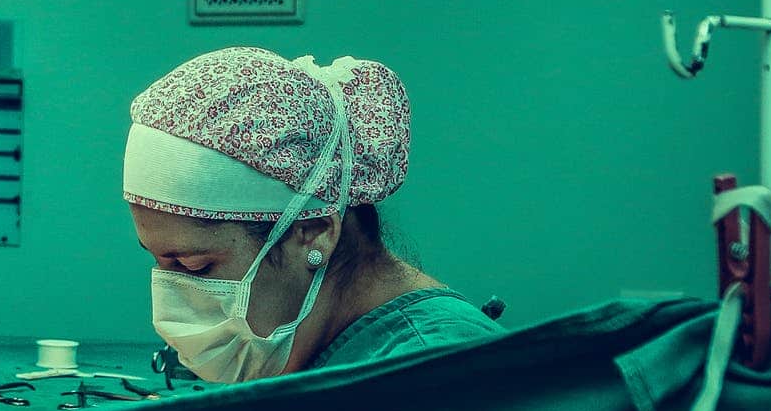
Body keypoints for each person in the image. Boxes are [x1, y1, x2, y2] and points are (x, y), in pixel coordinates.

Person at [125, 46, 500, 383]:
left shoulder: (435, 373)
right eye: (161, 262)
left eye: (194, 266)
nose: (169, 305)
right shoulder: (308, 350)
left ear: (314, 232)